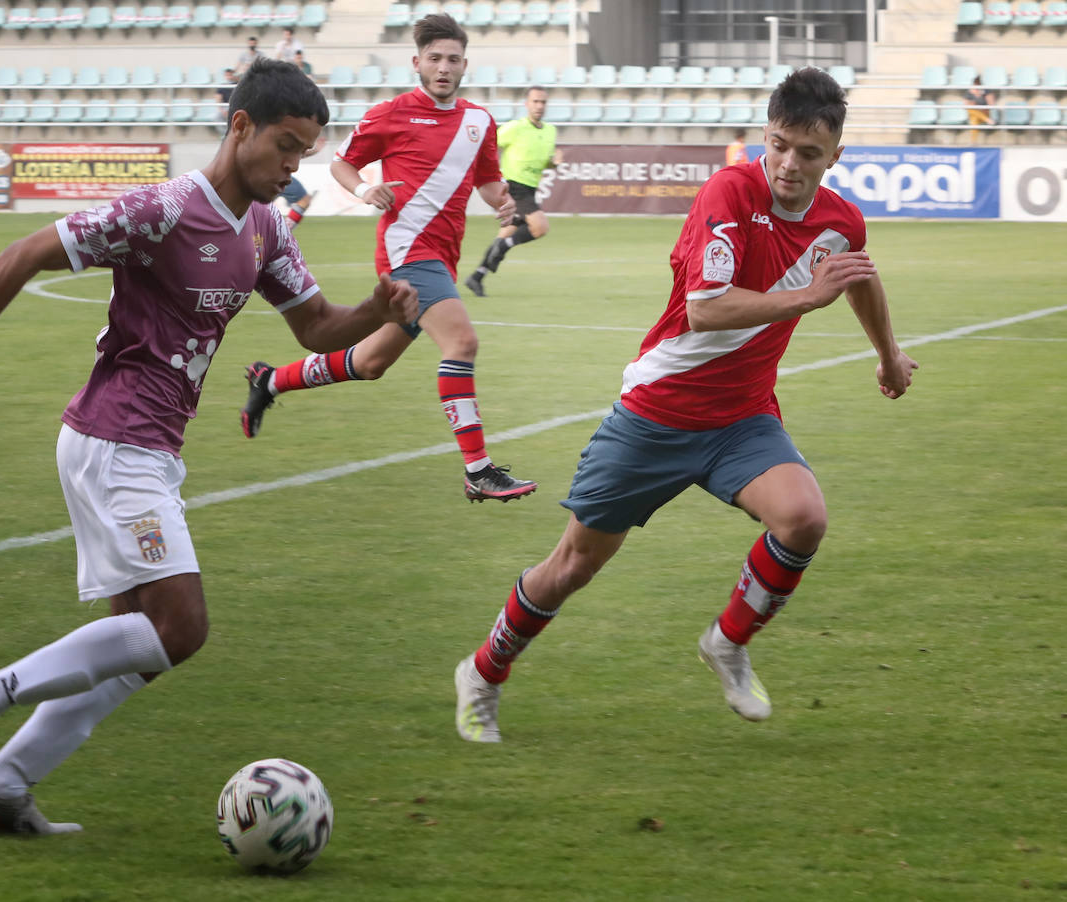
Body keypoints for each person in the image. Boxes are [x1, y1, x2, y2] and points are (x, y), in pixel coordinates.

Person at [0, 59, 417, 834]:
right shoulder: (163, 210)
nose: (292, 166)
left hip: (149, 448)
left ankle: (1, 787)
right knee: (181, 626)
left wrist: (375, 309)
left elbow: (315, 328)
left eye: (304, 152)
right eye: (284, 145)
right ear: (240, 128)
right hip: (114, 438)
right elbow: (25, 253)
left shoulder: (267, 226)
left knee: (135, 649)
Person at [452, 67, 919, 742]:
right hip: (656, 413)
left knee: (803, 518)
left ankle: (727, 642)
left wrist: (887, 354)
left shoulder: (840, 219)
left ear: (835, 156)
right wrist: (805, 298)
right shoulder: (729, 191)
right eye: (781, 144)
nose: (790, 164)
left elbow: (858, 276)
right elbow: (706, 311)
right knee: (573, 567)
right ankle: (484, 671)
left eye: (809, 154)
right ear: (767, 134)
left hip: (741, 418)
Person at [239, 14, 538, 504]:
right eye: (435, 58)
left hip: (443, 258)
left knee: (370, 362)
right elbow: (341, 162)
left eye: (453, 59)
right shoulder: (389, 114)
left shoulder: (479, 122)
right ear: (417, 62)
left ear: (466, 65)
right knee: (461, 343)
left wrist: (502, 200)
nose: (444, 67)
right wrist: (364, 188)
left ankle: (269, 380)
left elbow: (486, 179)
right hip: (406, 254)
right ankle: (478, 470)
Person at [464, 85, 561, 298]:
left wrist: (553, 163)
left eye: (543, 102)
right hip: (513, 187)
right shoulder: (515, 127)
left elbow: (543, 163)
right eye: (535, 101)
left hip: (530, 188)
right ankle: (504, 247)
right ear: (526, 104)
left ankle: (477, 277)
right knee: (540, 227)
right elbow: (489, 144)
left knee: (505, 234)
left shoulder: (550, 131)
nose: (539, 106)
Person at [964, 76, 996, 143]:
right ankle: (987, 120)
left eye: (978, 85)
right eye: (976, 85)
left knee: (974, 117)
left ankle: (973, 141)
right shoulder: (970, 92)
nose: (977, 87)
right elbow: (966, 105)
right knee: (973, 115)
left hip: (985, 113)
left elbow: (991, 104)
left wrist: (982, 96)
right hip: (976, 114)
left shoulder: (986, 91)